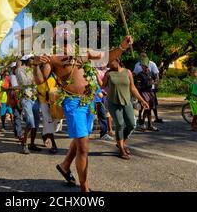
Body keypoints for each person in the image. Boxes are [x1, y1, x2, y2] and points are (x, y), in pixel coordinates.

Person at [33, 29, 133, 192]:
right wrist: (36, 64)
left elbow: (106, 56)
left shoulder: (84, 53)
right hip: (72, 103)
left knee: (81, 139)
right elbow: (39, 80)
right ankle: (84, 188)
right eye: (63, 41)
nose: (67, 44)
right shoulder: (53, 58)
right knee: (84, 147)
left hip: (89, 101)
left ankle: (65, 166)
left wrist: (122, 46)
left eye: (70, 39)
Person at [102, 58, 149, 159]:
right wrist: (96, 77)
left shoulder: (127, 72)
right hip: (113, 102)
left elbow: (133, 88)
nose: (109, 63)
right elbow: (102, 86)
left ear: (117, 61)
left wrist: (142, 100)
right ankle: (121, 149)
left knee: (131, 124)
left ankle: (122, 142)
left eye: (111, 61)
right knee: (120, 124)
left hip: (127, 101)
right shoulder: (108, 74)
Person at [15, 55, 41, 154]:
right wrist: (37, 78)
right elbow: (25, 82)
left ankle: (32, 144)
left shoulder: (34, 69)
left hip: (35, 98)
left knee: (36, 122)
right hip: (26, 98)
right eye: (32, 58)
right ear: (27, 60)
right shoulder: (19, 70)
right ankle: (25, 144)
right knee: (30, 121)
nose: (34, 60)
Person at [134, 52, 162, 123]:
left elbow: (156, 77)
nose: (142, 58)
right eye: (141, 56)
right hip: (142, 90)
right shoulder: (137, 65)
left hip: (150, 89)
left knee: (152, 104)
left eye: (144, 56)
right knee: (143, 104)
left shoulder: (152, 65)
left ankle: (155, 119)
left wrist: (154, 83)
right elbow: (134, 75)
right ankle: (141, 119)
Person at [36, 74, 59, 154]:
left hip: (54, 101)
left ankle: (44, 134)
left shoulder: (54, 74)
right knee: (48, 121)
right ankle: (53, 144)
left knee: (55, 122)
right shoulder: (38, 75)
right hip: (43, 102)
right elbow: (36, 88)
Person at [186, 67, 197, 132]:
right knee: (196, 112)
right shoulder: (189, 80)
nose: (196, 73)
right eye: (195, 72)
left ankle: (194, 125)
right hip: (193, 98)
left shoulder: (196, 79)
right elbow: (187, 89)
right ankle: (193, 126)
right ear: (191, 73)